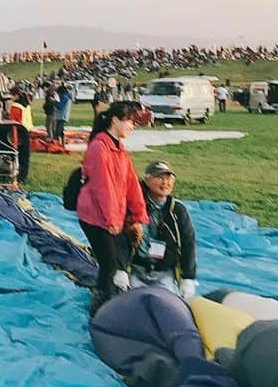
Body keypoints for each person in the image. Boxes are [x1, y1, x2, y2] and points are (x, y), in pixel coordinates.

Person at [76, 101, 147, 315]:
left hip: (111, 214)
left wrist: (137, 216)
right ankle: (99, 312)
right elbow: (102, 186)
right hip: (95, 216)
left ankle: (113, 303)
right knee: (108, 266)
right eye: (130, 121)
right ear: (115, 120)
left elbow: (131, 183)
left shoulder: (120, 148)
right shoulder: (99, 147)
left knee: (116, 263)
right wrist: (112, 221)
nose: (132, 126)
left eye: (135, 123)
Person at [127, 160, 198, 299]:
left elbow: (188, 243)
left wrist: (188, 277)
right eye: (159, 177)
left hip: (164, 272)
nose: (165, 182)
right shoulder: (133, 207)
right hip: (136, 269)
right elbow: (120, 240)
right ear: (146, 180)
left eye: (169, 178)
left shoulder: (178, 210)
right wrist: (121, 270)